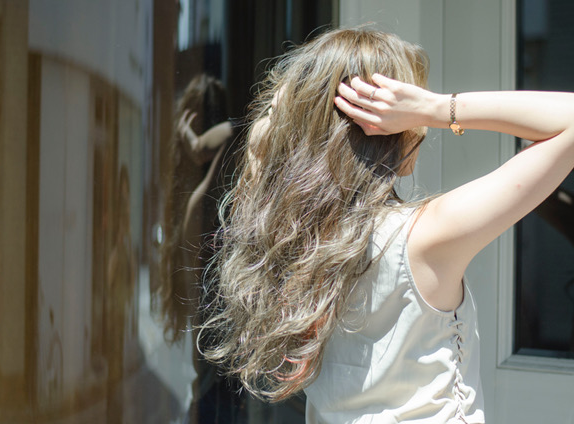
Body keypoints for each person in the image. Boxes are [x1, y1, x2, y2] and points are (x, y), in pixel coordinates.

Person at [197, 27, 574, 423]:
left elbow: (267, 145)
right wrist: (437, 107)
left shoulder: (284, 233)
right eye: (408, 112)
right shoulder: (423, 236)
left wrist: (298, 114)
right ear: (390, 128)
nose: (421, 130)